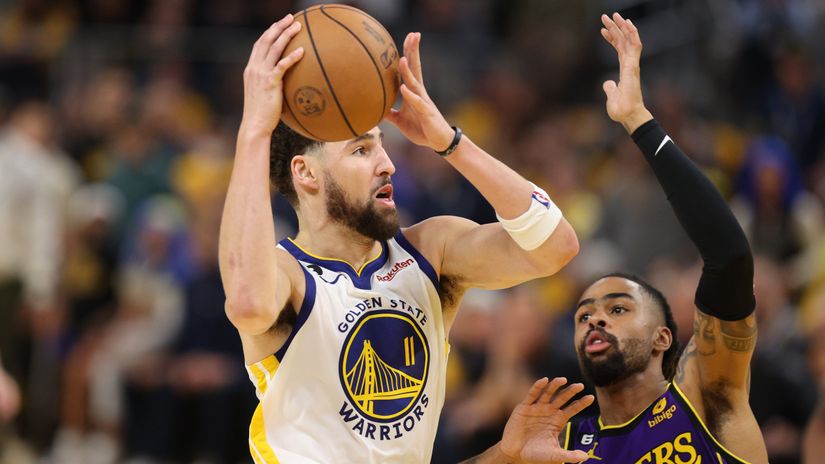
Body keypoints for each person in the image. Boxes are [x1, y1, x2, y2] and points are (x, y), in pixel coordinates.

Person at [219, 14, 583, 463]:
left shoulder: (431, 251)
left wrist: (447, 140)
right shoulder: (286, 275)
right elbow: (248, 302)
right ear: (305, 173)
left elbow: (556, 246)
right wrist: (254, 130)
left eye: (381, 143)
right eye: (360, 149)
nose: (387, 163)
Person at [556, 13, 769, 463]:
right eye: (583, 316)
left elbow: (729, 258)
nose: (594, 320)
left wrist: (638, 121)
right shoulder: (563, 447)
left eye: (617, 308)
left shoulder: (708, 394)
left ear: (662, 339)